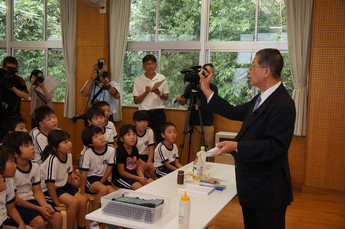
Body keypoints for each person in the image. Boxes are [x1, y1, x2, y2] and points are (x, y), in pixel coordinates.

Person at [200, 48, 296, 229]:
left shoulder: (282, 103)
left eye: (253, 66)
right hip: (254, 187)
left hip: (268, 190)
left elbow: (275, 147)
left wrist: (237, 146)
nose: (248, 71)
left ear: (266, 71)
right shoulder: (262, 98)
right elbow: (233, 111)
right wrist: (206, 88)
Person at [2, 132, 62, 229]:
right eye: (26, 145)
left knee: (57, 216)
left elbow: (37, 190)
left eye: (31, 144)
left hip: (32, 201)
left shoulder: (34, 166)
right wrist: (39, 209)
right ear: (15, 153)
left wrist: (45, 205)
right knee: (39, 222)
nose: (32, 147)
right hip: (19, 205)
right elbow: (15, 200)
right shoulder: (11, 171)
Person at [40, 129, 88, 229]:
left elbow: (69, 173)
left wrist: (72, 186)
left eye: (69, 141)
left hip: (63, 186)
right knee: (73, 203)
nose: (69, 144)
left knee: (83, 200)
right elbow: (49, 184)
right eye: (65, 142)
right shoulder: (53, 160)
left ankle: (81, 227)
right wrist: (56, 201)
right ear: (55, 147)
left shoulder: (69, 155)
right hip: (50, 190)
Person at [175, 63, 218, 162]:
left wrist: (204, 86)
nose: (206, 73)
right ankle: (196, 171)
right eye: (205, 70)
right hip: (194, 122)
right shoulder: (192, 86)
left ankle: (210, 171)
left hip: (207, 123)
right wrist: (180, 100)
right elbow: (184, 101)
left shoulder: (213, 87)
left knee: (209, 151)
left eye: (209, 72)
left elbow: (213, 103)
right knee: (196, 152)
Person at [133, 54, 169, 143]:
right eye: (147, 64)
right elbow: (136, 100)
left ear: (156, 65)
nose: (150, 66)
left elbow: (166, 97)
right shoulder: (138, 79)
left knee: (160, 138)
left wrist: (159, 93)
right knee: (145, 139)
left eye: (152, 63)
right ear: (143, 66)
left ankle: (159, 156)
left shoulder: (161, 77)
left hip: (159, 112)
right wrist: (145, 92)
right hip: (144, 113)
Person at [79, 125, 116, 210]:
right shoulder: (87, 153)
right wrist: (82, 192)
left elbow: (109, 169)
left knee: (115, 196)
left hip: (103, 179)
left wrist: (102, 182)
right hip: (91, 179)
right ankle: (93, 218)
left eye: (100, 134)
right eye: (95, 137)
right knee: (103, 190)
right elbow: (84, 174)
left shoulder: (112, 150)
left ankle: (107, 219)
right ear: (90, 143)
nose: (100, 137)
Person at [112, 124, 153, 190]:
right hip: (121, 178)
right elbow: (122, 172)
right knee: (140, 188)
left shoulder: (134, 149)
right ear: (122, 139)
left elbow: (137, 167)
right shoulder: (120, 150)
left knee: (151, 183)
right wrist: (138, 178)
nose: (132, 137)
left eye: (134, 134)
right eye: (128, 135)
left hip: (134, 175)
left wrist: (142, 177)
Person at [0, 56, 29, 140]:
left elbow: (26, 96)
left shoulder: (19, 80)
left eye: (13, 69)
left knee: (13, 140)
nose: (10, 72)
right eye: (9, 68)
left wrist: (12, 88)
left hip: (13, 115)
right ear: (3, 67)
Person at [0, 146, 26, 229]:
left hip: (5, 220)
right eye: (11, 162)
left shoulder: (9, 180)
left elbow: (11, 208)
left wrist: (21, 224)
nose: (15, 165)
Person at [132, 110, 156, 179]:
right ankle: (144, 180)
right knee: (140, 169)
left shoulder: (149, 131)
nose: (143, 124)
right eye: (139, 121)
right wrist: (141, 162)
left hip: (146, 156)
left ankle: (154, 182)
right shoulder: (132, 133)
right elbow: (132, 152)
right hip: (134, 158)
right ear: (134, 122)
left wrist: (149, 161)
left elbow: (151, 148)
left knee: (153, 169)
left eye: (145, 121)